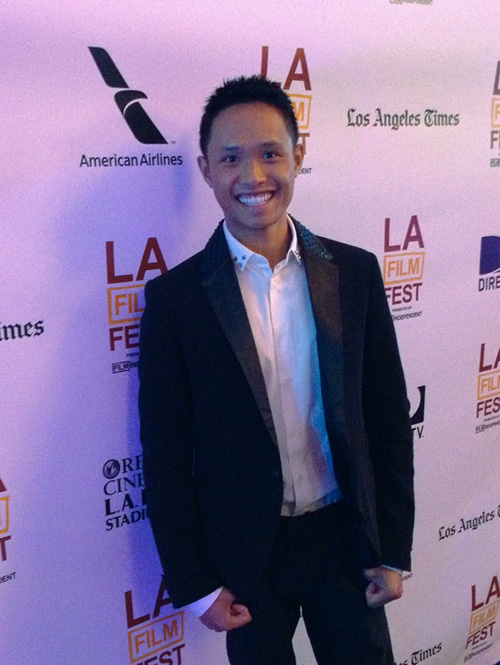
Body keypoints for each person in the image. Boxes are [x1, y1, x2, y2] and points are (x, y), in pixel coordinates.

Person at [139, 75, 414, 665]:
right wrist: (195, 583)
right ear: (206, 168)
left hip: (345, 542)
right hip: (245, 559)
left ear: (299, 155)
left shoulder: (355, 273)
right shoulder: (176, 301)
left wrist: (392, 549)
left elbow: (388, 419)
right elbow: (164, 454)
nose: (254, 177)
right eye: (231, 158)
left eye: (270, 154)